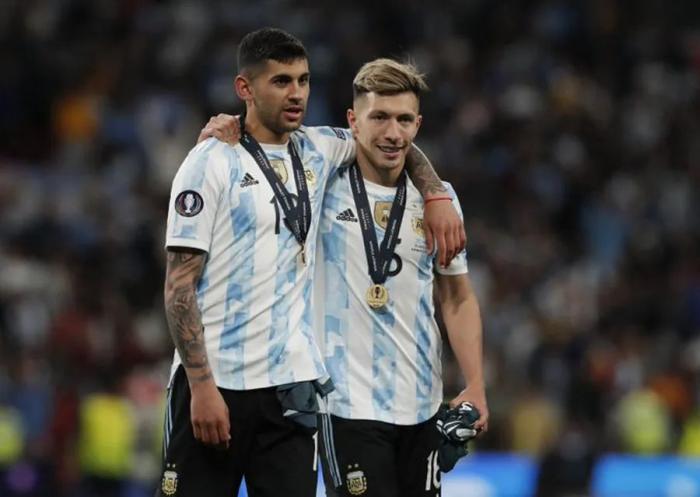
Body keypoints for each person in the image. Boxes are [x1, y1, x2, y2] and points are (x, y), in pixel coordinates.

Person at [160, 28, 465, 497]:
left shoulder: (320, 148)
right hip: (217, 382)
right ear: (245, 88)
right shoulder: (210, 161)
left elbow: (392, 138)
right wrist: (201, 386)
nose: (296, 93)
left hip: (291, 387)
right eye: (281, 81)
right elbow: (179, 286)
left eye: (303, 80)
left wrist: (436, 192)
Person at [315, 59, 488, 497]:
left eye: (404, 119)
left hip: (422, 406)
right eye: (380, 117)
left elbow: (457, 298)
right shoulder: (320, 186)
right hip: (346, 405)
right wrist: (232, 128)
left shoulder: (440, 203)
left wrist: (475, 384)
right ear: (353, 120)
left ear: (418, 125)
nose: (393, 133)